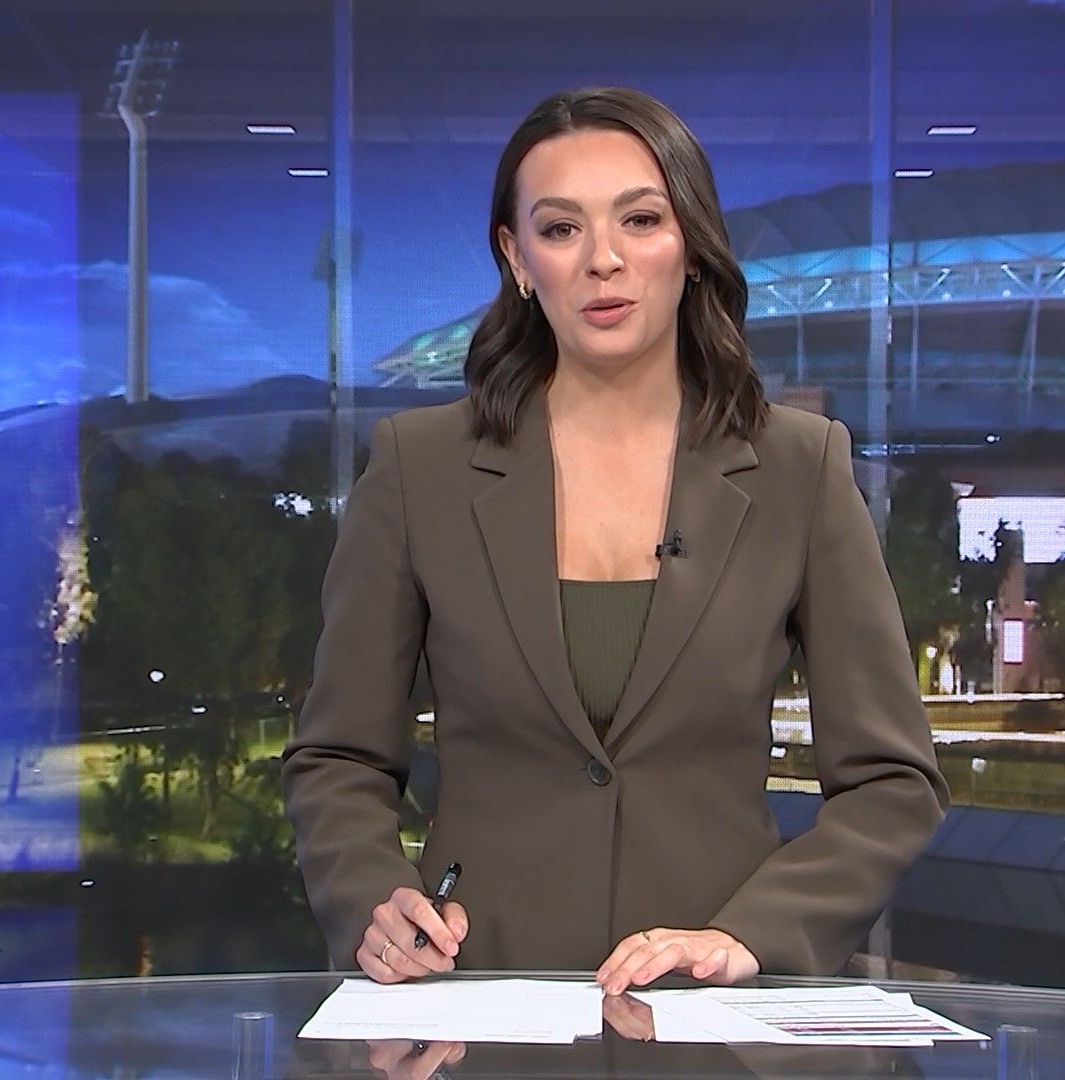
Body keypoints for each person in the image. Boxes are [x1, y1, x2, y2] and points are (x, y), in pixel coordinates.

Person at [281, 86, 948, 995]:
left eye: (640, 219)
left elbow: (892, 780)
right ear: (517, 259)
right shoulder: (419, 468)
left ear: (691, 246)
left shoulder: (799, 467)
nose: (604, 260)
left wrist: (754, 935)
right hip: (476, 1005)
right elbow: (339, 756)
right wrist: (373, 901)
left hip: (709, 1011)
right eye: (561, 229)